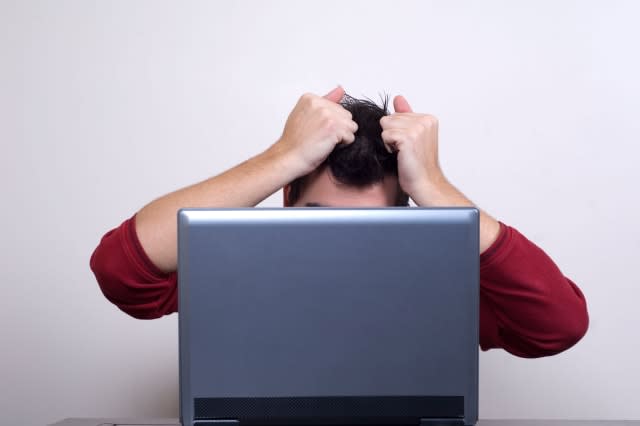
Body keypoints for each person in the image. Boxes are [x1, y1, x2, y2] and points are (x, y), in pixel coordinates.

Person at [90, 86, 589, 358]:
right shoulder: (242, 269)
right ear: (287, 200)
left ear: (406, 217)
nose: (340, 248)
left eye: (370, 226)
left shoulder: (437, 283)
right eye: (318, 221)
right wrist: (282, 157)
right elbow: (120, 270)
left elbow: (558, 327)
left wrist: (436, 189)